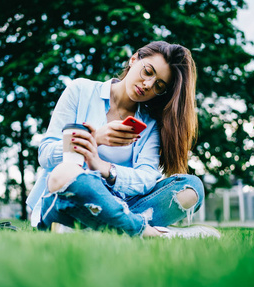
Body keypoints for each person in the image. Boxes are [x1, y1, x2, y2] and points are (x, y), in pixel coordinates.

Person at [27, 41, 219, 238]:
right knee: (66, 173)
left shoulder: (150, 125)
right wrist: (95, 138)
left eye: (159, 86)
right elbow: (46, 154)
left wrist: (104, 168)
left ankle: (99, 226)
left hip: (123, 204)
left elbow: (146, 177)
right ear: (134, 59)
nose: (148, 84)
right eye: (148, 72)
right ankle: (152, 233)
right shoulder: (80, 91)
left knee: (191, 188)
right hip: (71, 195)